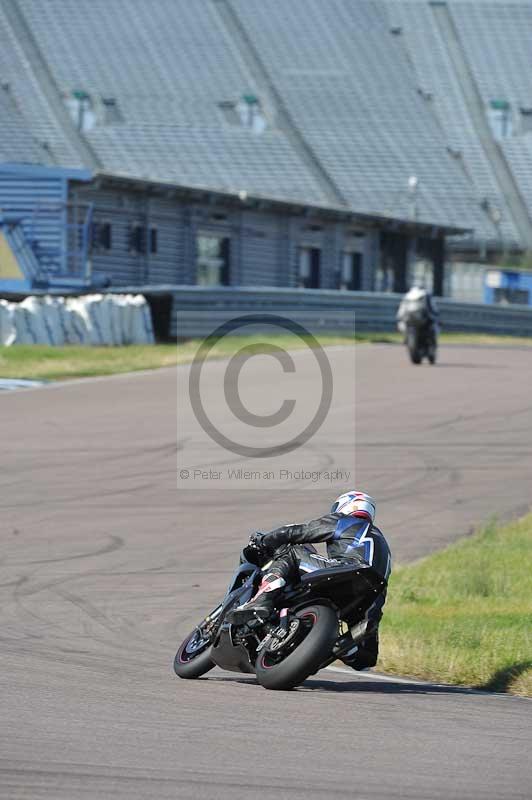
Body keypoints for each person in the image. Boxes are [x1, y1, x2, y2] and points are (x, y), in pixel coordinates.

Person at [231, 491, 391, 671]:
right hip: (369, 597)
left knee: (293, 551)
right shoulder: (384, 544)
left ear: (345, 506)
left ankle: (263, 599)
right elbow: (368, 661)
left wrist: (263, 540)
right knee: (366, 657)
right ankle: (340, 647)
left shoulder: (347, 521)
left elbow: (297, 532)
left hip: (347, 571)